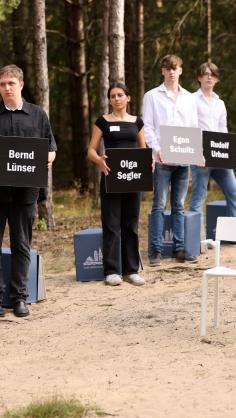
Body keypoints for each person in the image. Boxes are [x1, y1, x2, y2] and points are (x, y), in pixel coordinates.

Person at [0, 65, 56, 318]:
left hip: (26, 193)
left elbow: (51, 146)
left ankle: (20, 297)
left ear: (21, 84)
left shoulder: (37, 114)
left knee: (21, 244)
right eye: (2, 84)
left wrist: (50, 157)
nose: (6, 88)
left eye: (11, 83)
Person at [87, 82, 146, 287]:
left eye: (120, 95)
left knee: (131, 224)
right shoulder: (102, 121)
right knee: (112, 224)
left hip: (133, 178)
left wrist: (149, 162)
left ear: (128, 98)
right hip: (111, 177)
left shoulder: (137, 122)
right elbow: (91, 151)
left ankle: (131, 270)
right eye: (112, 96)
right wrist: (100, 161)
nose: (116, 99)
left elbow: (143, 148)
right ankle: (112, 271)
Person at [143, 54, 199, 266]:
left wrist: (198, 151)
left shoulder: (189, 98)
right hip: (162, 160)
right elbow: (147, 126)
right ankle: (155, 251)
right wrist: (156, 150)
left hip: (184, 160)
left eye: (175, 68)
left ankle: (179, 249)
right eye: (168, 68)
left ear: (181, 70)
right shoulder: (152, 96)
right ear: (163, 71)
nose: (171, 71)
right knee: (158, 205)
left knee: (178, 205)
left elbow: (194, 127)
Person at [189, 62, 236, 232]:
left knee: (234, 192)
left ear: (217, 79)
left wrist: (231, 152)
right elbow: (189, 127)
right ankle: (196, 240)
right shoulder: (191, 100)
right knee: (199, 198)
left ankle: (234, 234)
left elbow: (223, 130)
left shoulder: (220, 103)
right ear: (199, 78)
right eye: (205, 74)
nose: (209, 76)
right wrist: (196, 152)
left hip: (220, 156)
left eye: (212, 74)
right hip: (201, 157)